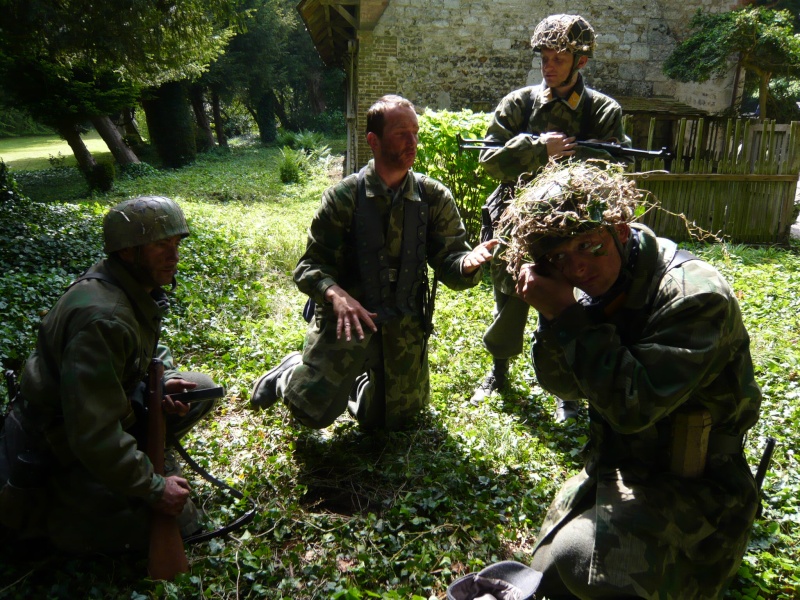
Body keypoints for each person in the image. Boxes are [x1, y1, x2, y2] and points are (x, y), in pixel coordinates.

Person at [502, 161, 761, 599]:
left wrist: (568, 316)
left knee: (576, 557)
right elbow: (562, 386)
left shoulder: (693, 296)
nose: (579, 268)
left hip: (699, 486)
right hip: (621, 466)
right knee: (540, 573)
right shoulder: (597, 284)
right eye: (561, 257)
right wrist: (554, 317)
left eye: (589, 245)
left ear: (620, 229)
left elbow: (632, 409)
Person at [251, 95, 497, 431]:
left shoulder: (433, 197)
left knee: (391, 421)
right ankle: (290, 372)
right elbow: (309, 267)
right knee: (311, 413)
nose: (412, 142)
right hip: (347, 324)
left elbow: (450, 260)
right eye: (401, 134)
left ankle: (361, 384)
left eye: (415, 133)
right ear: (373, 140)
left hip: (403, 328)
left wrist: (467, 262)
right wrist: (337, 296)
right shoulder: (344, 198)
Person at [0, 196, 218, 554]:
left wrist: (163, 381)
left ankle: (130, 467)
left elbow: (147, 351)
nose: (173, 255)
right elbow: (92, 433)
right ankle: (48, 515)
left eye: (176, 243)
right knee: (174, 524)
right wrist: (155, 488)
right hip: (58, 445)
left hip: (108, 410)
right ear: (128, 252)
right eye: (160, 245)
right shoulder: (104, 318)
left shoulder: (130, 286)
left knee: (201, 388)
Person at [471, 14, 632, 420]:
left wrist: (579, 155)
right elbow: (488, 160)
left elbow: (618, 167)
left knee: (569, 303)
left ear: (581, 61)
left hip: (572, 228)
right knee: (509, 297)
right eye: (544, 55)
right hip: (516, 222)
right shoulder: (519, 104)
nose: (549, 64)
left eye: (559, 56)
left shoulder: (601, 111)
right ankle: (499, 371)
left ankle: (569, 392)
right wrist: (538, 147)